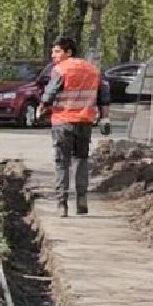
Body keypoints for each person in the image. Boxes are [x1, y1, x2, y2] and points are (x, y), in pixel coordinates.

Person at [39, 34, 107, 217]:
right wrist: (105, 118)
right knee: (82, 160)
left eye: (57, 51)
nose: (53, 55)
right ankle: (82, 201)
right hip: (85, 122)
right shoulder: (92, 70)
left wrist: (42, 108)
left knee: (62, 163)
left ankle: (62, 205)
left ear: (68, 52)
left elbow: (50, 93)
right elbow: (103, 96)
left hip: (63, 121)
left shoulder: (61, 69)